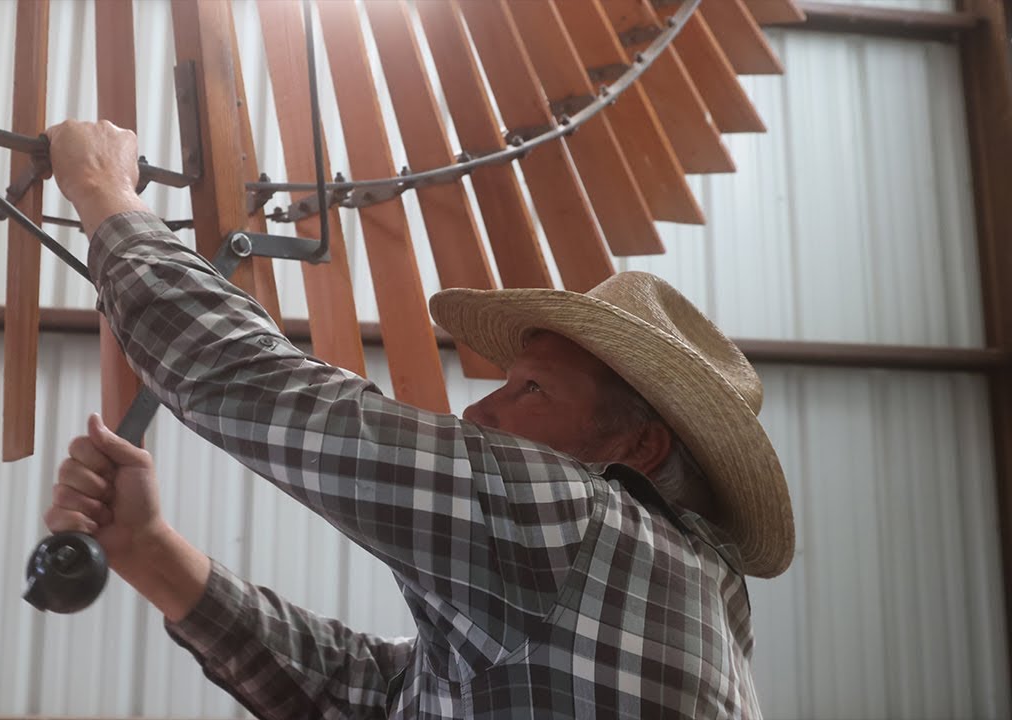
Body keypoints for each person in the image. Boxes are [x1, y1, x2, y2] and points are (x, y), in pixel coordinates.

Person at [40, 119, 795, 719]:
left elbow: (260, 388)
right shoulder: (653, 597)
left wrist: (105, 191)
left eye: (533, 391)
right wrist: (148, 549)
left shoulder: (588, 533)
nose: (480, 409)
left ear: (639, 446)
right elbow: (370, 697)